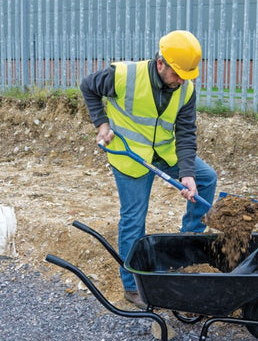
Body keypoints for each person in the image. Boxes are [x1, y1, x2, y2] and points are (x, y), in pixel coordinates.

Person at [80, 30, 217, 308]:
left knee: (206, 178)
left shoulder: (186, 89)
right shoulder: (123, 76)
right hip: (130, 157)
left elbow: (186, 131)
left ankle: (187, 243)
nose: (181, 81)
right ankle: (132, 287)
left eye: (186, 76)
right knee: (133, 220)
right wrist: (102, 124)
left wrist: (187, 174)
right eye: (177, 74)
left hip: (164, 152)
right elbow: (88, 86)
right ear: (160, 64)